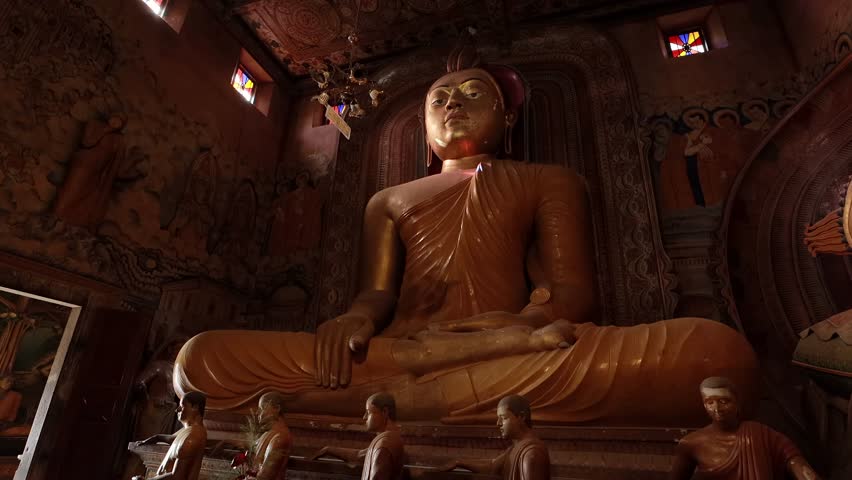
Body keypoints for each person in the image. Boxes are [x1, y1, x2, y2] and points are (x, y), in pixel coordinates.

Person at [174, 45, 759, 426]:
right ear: (425, 127)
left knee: (713, 353)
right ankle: (391, 395)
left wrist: (518, 328)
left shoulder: (549, 181)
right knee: (200, 359)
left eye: (474, 93)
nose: (452, 101)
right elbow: (375, 297)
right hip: (396, 351)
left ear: (508, 118)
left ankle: (366, 406)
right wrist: (352, 320)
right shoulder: (389, 200)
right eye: (439, 99)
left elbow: (572, 298)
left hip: (511, 346)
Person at [669, 377, 820, 480]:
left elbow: (796, 463)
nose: (717, 408)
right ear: (704, 405)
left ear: (737, 403)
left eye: (723, 401)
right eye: (710, 402)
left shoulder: (762, 434)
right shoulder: (691, 444)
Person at [441, 395, 549, 479]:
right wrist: (459, 462)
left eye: (504, 418)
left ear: (521, 417)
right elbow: (491, 467)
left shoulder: (531, 453)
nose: (498, 423)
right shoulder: (516, 447)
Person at [308, 392, 405, 480]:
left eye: (368, 412)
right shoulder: (389, 438)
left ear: (384, 412)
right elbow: (359, 455)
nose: (364, 417)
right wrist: (328, 449)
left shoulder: (384, 445)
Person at [54, 115, 126, 228]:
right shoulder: (95, 124)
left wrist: (106, 179)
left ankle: (71, 221)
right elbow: (87, 142)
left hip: (96, 172)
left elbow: (115, 163)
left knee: (85, 196)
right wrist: (106, 130)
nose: (116, 122)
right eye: (116, 118)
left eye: (120, 121)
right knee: (70, 191)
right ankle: (57, 215)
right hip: (82, 166)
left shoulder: (119, 139)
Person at [133, 392, 208, 480]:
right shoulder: (186, 431)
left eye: (182, 406)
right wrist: (152, 439)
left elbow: (177, 477)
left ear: (195, 407)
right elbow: (168, 438)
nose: (177, 410)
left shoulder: (192, 437)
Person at [251, 392, 292, 480]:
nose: (257, 413)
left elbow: (265, 477)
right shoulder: (266, 434)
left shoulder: (280, 438)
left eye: (262, 408)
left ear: (277, 408)